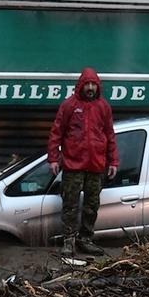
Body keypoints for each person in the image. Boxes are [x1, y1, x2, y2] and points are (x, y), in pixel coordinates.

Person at [47, 67, 117, 256]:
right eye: (87, 84)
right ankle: (68, 241)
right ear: (80, 85)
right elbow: (57, 132)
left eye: (93, 84)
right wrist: (53, 158)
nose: (90, 87)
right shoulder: (69, 105)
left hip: (96, 165)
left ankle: (85, 239)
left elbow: (110, 135)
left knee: (91, 205)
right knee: (70, 205)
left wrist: (113, 162)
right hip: (73, 166)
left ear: (98, 86)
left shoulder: (103, 107)